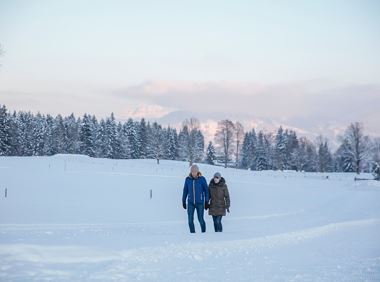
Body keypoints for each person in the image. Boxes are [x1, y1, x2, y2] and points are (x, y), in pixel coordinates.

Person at [182, 164, 209, 233]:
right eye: (192, 171)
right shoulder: (188, 179)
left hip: (200, 203)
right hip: (190, 203)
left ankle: (203, 233)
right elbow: (185, 190)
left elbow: (206, 190)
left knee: (200, 219)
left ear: (198, 171)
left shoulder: (202, 179)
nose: (193, 173)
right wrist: (183, 201)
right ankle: (192, 234)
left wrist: (206, 202)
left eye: (195, 171)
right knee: (190, 220)